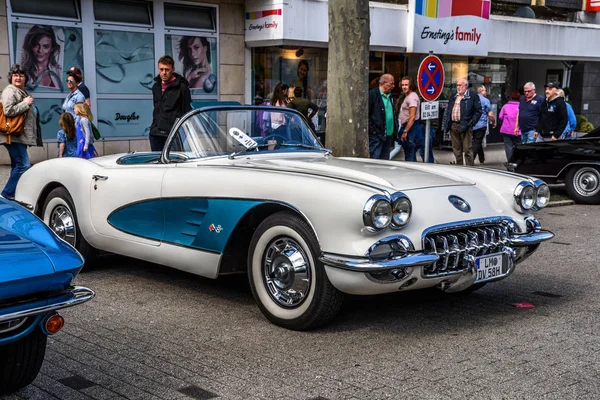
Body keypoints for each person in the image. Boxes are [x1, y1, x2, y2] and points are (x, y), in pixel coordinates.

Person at [1, 64, 39, 200]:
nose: (18, 77)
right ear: (11, 77)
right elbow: (8, 110)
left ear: (25, 78)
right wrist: (25, 103)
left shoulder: (21, 91)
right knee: (23, 165)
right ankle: (6, 194)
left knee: (17, 165)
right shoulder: (10, 91)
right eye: (15, 75)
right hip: (13, 135)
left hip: (18, 135)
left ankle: (12, 194)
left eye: (21, 75)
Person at [149, 55, 192, 152]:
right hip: (155, 133)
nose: (164, 73)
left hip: (173, 134)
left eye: (167, 69)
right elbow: (157, 108)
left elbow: (187, 112)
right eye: (161, 69)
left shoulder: (182, 88)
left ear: (172, 69)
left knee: (173, 163)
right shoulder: (156, 87)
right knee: (157, 164)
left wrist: (182, 133)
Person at [442, 78, 482, 166]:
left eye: (460, 85)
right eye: (457, 85)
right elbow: (449, 110)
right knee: (456, 149)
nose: (458, 87)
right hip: (454, 125)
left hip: (466, 125)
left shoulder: (472, 96)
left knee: (467, 149)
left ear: (466, 86)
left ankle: (469, 168)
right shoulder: (453, 96)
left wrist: (471, 123)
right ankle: (459, 167)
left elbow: (478, 111)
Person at [20, 25, 61, 89]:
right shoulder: (23, 71)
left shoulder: (58, 72)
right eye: (36, 45)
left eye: (46, 46)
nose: (40, 50)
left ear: (52, 48)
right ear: (30, 46)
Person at [368, 74, 398, 160]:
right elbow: (367, 115)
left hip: (388, 135)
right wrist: (373, 131)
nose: (393, 86)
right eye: (391, 84)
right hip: (377, 135)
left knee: (385, 161)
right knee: (375, 160)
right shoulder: (372, 95)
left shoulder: (390, 96)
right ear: (384, 83)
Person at [398, 76, 423, 162]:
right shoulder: (408, 96)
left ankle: (410, 174)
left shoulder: (412, 97)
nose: (404, 87)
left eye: (406, 85)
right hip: (409, 126)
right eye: (402, 85)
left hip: (411, 127)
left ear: (411, 85)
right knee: (409, 153)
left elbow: (412, 117)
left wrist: (405, 131)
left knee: (409, 154)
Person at [472, 85, 496, 165]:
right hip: (481, 125)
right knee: (477, 142)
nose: (486, 92)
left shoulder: (473, 99)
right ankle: (471, 160)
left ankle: (481, 158)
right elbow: (490, 114)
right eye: (485, 90)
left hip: (472, 124)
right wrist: (494, 122)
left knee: (477, 141)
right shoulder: (485, 100)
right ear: (481, 91)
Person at [498, 92, 522, 162]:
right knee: (519, 146)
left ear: (511, 98)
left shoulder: (505, 106)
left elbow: (500, 117)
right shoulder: (521, 107)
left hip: (506, 130)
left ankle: (510, 163)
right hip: (517, 131)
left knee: (508, 147)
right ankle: (518, 162)